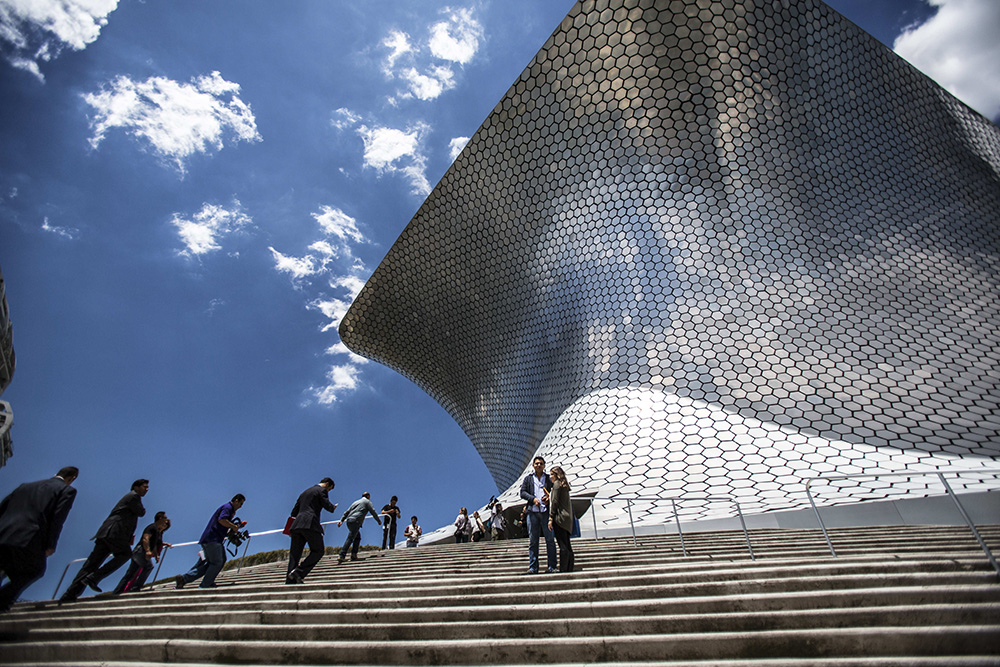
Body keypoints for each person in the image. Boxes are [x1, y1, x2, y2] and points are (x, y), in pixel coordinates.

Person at [0, 466, 78, 613]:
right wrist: (50, 544)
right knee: (35, 571)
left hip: (4, 532)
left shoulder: (25, 486)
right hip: (28, 537)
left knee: (5, 566)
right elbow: (57, 518)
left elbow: (3, 506)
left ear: (56, 474)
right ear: (72, 478)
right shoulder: (66, 490)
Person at [61, 478, 148, 602]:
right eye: (144, 487)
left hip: (107, 533)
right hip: (115, 532)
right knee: (125, 554)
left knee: (91, 564)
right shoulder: (134, 497)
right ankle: (94, 577)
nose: (146, 489)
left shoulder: (131, 497)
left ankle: (70, 594)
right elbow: (141, 512)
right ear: (136, 487)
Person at [175, 494, 245, 589]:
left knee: (213, 563)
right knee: (217, 562)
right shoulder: (228, 508)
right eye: (240, 503)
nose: (240, 506)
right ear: (236, 500)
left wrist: (232, 529)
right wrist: (233, 526)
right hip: (212, 539)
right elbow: (222, 520)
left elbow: (222, 524)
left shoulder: (229, 509)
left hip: (212, 539)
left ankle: (184, 579)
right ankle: (205, 584)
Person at [286, 478, 337, 584]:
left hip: (296, 525)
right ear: (327, 484)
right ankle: (299, 572)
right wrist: (332, 507)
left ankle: (290, 581)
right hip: (310, 523)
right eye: (329, 489)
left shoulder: (304, 492)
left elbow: (294, 512)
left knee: (294, 555)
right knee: (318, 551)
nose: (328, 491)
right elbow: (326, 505)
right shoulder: (321, 490)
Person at [112, 512, 171, 594]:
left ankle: (118, 591)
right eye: (165, 518)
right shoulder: (152, 527)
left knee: (131, 573)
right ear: (160, 518)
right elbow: (145, 538)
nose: (166, 520)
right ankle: (135, 588)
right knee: (149, 566)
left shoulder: (157, 531)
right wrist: (147, 551)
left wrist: (156, 555)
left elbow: (153, 545)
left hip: (140, 552)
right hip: (140, 551)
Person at [519, 456, 556, 573]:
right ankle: (533, 567)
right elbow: (522, 493)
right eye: (536, 463)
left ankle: (552, 566)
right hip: (532, 513)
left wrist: (549, 497)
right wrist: (533, 499)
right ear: (533, 466)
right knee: (533, 541)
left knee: (550, 540)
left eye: (541, 463)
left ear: (544, 465)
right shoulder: (528, 479)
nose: (539, 465)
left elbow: (555, 490)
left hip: (546, 512)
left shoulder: (549, 479)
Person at [336, 492, 380, 563]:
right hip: (356, 521)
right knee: (350, 538)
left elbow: (347, 512)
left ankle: (354, 554)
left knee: (357, 537)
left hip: (349, 521)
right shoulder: (367, 502)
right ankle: (342, 555)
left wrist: (341, 520)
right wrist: (378, 520)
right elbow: (373, 511)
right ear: (368, 496)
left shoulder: (355, 502)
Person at [548, 466, 575, 573]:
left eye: (551, 474)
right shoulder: (565, 486)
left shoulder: (557, 484)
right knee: (567, 544)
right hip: (568, 517)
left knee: (562, 545)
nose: (550, 477)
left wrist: (551, 517)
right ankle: (569, 567)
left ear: (556, 475)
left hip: (560, 517)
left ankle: (563, 569)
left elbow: (554, 502)